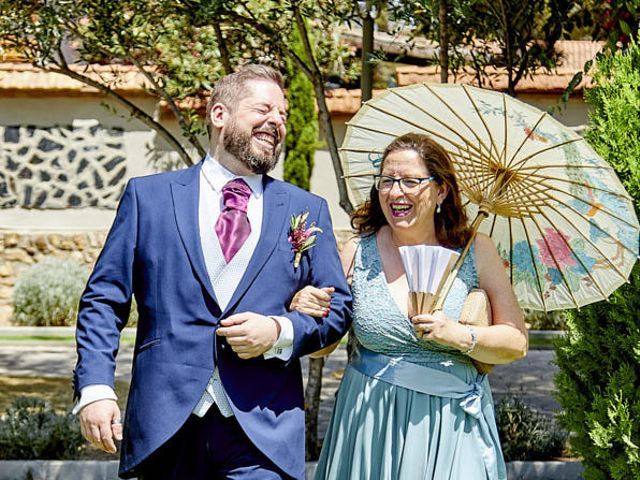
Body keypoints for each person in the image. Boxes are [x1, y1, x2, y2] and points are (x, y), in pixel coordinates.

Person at [72, 64, 351, 480]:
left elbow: (338, 308)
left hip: (263, 428)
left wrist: (280, 331)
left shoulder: (305, 208)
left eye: (283, 116)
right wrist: (95, 389)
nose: (276, 122)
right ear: (219, 115)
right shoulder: (148, 198)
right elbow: (103, 300)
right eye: (264, 109)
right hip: (165, 425)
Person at [290, 132, 528, 479]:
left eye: (410, 181)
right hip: (370, 423)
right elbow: (322, 347)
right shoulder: (357, 252)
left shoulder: (477, 251)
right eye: (387, 180)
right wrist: (307, 309)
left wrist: (459, 336)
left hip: (451, 425)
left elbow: (517, 342)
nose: (395, 192)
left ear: (441, 191)